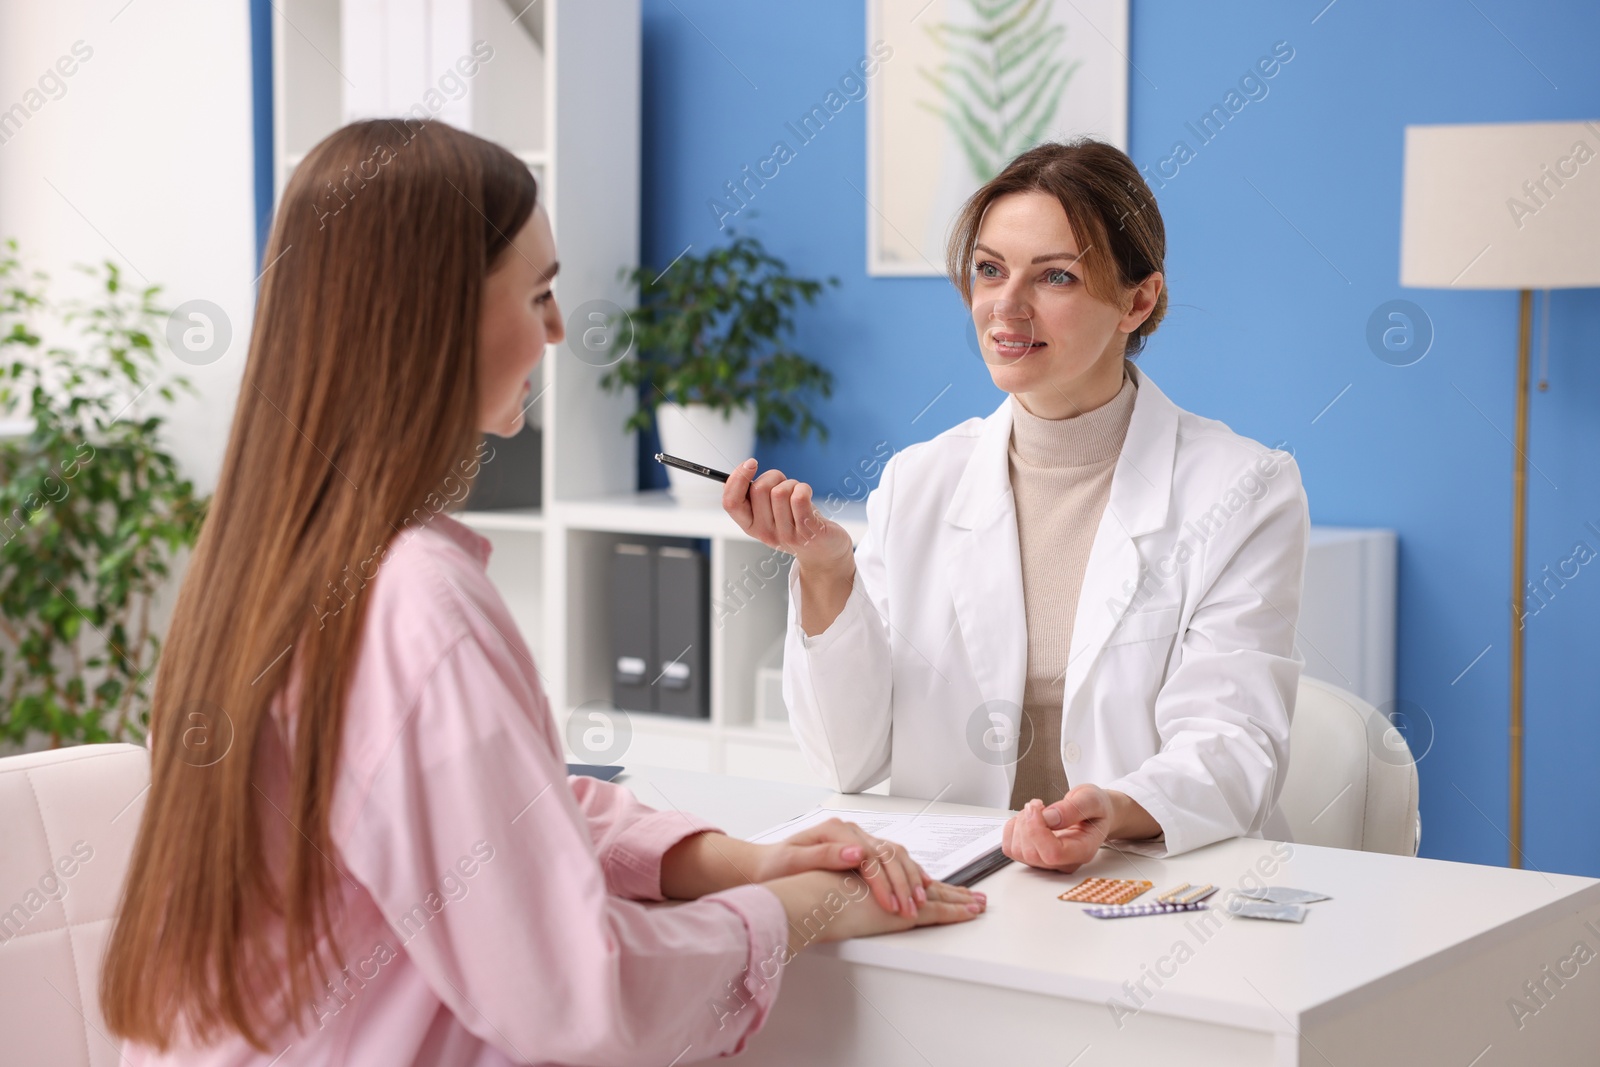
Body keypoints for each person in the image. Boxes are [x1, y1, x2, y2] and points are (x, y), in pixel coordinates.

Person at [99, 118, 983, 1066]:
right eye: (541, 292)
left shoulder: (266, 563)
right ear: (431, 314)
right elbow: (575, 996)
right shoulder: (416, 602)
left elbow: (494, 811)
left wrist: (727, 858)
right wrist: (785, 912)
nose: (560, 328)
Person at [723, 138, 1310, 872]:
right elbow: (847, 758)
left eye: (1055, 276)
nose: (1006, 306)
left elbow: (1232, 741)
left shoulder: (1243, 489)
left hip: (1149, 883)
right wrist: (825, 575)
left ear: (1138, 299)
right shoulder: (918, 481)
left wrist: (1115, 810)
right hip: (965, 891)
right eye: (989, 270)